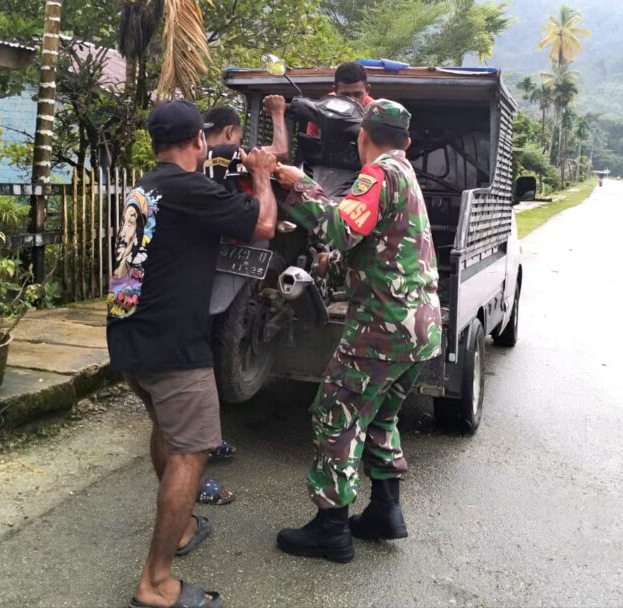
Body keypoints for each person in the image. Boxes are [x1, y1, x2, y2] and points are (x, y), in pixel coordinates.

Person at [109, 100, 278, 608]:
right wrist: (263, 175)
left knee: (167, 429)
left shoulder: (147, 185)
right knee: (194, 450)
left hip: (129, 335)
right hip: (173, 344)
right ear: (197, 142)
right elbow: (263, 225)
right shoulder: (191, 189)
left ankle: (180, 531)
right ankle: (155, 583)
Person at [273, 99, 442, 563]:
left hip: (383, 327)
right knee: (382, 417)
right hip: (420, 327)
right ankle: (386, 512)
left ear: (362, 137)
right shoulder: (405, 173)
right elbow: (384, 241)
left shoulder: (379, 173)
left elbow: (341, 227)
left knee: (335, 413)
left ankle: (331, 529)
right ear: (406, 141)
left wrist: (298, 182)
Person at [190, 95, 290, 508]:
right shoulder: (231, 153)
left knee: (205, 368)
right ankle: (194, 477)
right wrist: (278, 115)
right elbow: (277, 156)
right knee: (194, 378)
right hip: (204, 284)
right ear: (231, 131)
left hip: (197, 273)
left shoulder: (181, 170)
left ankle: (209, 442)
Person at [306, 61, 375, 137]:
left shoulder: (377, 113)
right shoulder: (320, 111)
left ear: (367, 90)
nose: (352, 101)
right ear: (335, 91)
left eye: (357, 94)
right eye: (345, 95)